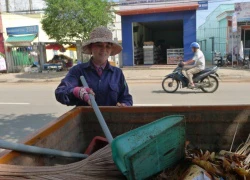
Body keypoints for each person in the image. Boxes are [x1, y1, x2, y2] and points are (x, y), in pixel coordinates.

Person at [55, 26, 133, 107]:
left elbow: (126, 98)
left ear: (111, 50)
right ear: (90, 47)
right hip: (85, 119)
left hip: (110, 119)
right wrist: (76, 91)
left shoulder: (117, 73)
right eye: (99, 45)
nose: (104, 49)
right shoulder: (78, 71)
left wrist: (125, 105)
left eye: (108, 46)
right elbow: (60, 92)